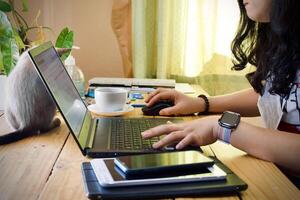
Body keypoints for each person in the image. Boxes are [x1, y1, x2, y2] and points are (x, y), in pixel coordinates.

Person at [141, 0, 300, 185]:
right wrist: (202, 103)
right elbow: (274, 95)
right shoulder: (288, 42)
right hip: (279, 176)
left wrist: (221, 127)